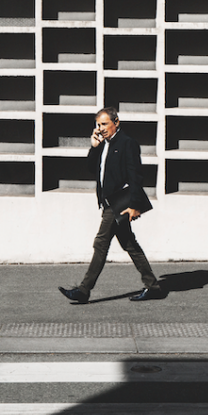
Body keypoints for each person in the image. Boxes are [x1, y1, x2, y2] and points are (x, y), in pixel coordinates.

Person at [59, 107, 162, 303]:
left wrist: (134, 205)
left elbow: (135, 177)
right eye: (98, 125)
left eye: (105, 124)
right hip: (107, 203)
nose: (101, 128)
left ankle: (84, 290)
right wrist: (94, 146)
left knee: (100, 243)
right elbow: (91, 168)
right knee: (129, 244)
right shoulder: (103, 144)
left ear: (116, 122)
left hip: (118, 204)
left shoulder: (127, 144)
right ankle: (153, 286)